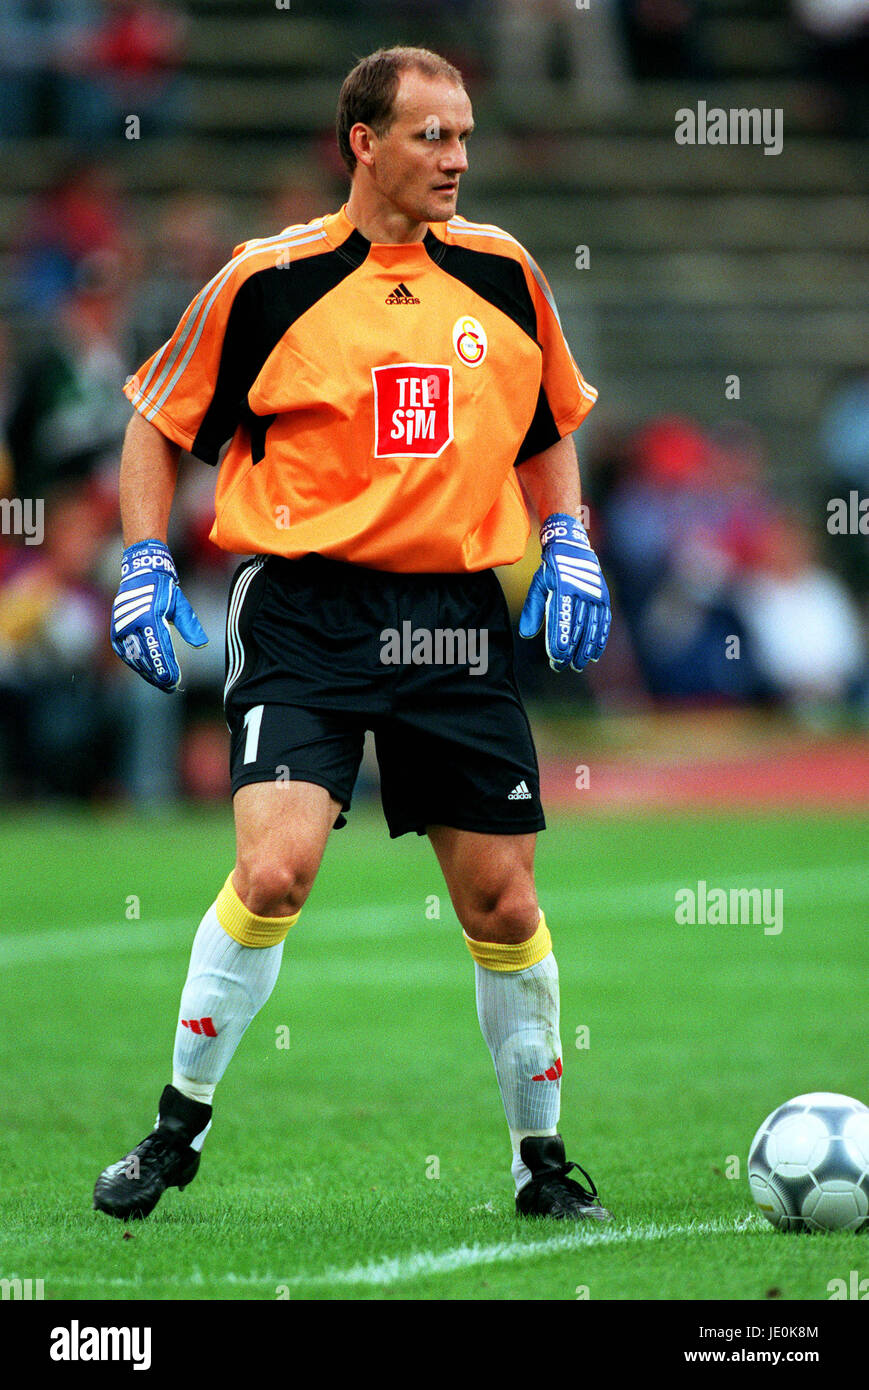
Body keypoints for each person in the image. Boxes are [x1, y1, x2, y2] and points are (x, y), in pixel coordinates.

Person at [93, 45, 612, 1224]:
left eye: (465, 135)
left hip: (452, 620)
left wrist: (566, 537)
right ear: (362, 143)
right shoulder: (265, 279)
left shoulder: (502, 272)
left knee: (505, 907)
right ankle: (176, 1132)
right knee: (274, 868)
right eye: (431, 136)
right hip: (306, 610)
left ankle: (540, 1164)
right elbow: (151, 423)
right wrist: (141, 561)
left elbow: (549, 423)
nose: (457, 158)